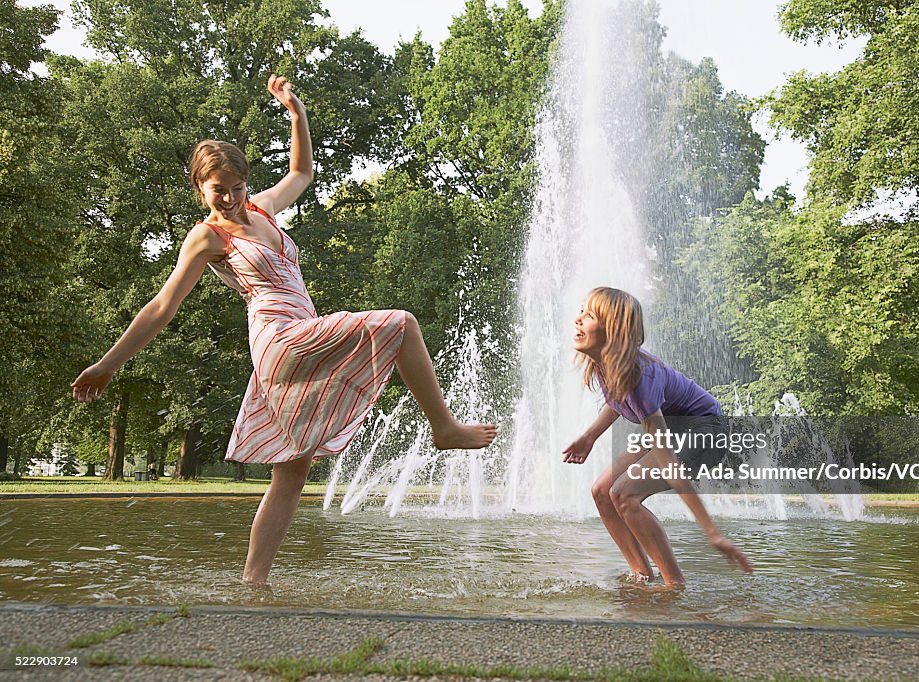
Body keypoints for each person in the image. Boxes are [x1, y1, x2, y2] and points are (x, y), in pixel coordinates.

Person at [71, 74, 496, 584]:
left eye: (235, 188)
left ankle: (253, 581)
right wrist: (106, 365)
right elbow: (162, 306)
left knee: (291, 472)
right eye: (216, 191)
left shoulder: (261, 208)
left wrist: (296, 114)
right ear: (199, 189)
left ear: (246, 183)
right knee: (401, 324)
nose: (227, 199)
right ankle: (443, 427)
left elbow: (301, 172)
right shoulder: (206, 236)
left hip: (301, 332)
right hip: (276, 338)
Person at [563, 286, 751, 588]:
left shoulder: (641, 378)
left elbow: (670, 466)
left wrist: (712, 533)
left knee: (624, 493)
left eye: (590, 315)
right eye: (581, 310)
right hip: (676, 429)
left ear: (613, 331)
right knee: (601, 490)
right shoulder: (605, 364)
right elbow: (616, 403)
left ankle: (673, 585)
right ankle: (641, 575)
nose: (578, 319)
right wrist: (590, 437)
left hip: (705, 429)